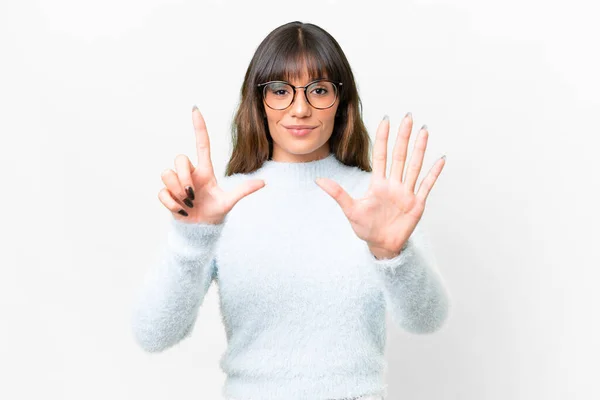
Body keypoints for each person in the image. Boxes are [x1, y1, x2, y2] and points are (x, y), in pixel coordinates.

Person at [130, 21, 452, 400]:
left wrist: (392, 255)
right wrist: (192, 239)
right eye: (281, 91)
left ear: (340, 101)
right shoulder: (220, 203)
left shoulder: (375, 200)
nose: (300, 109)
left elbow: (427, 321)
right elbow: (152, 334)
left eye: (318, 90)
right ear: (259, 101)